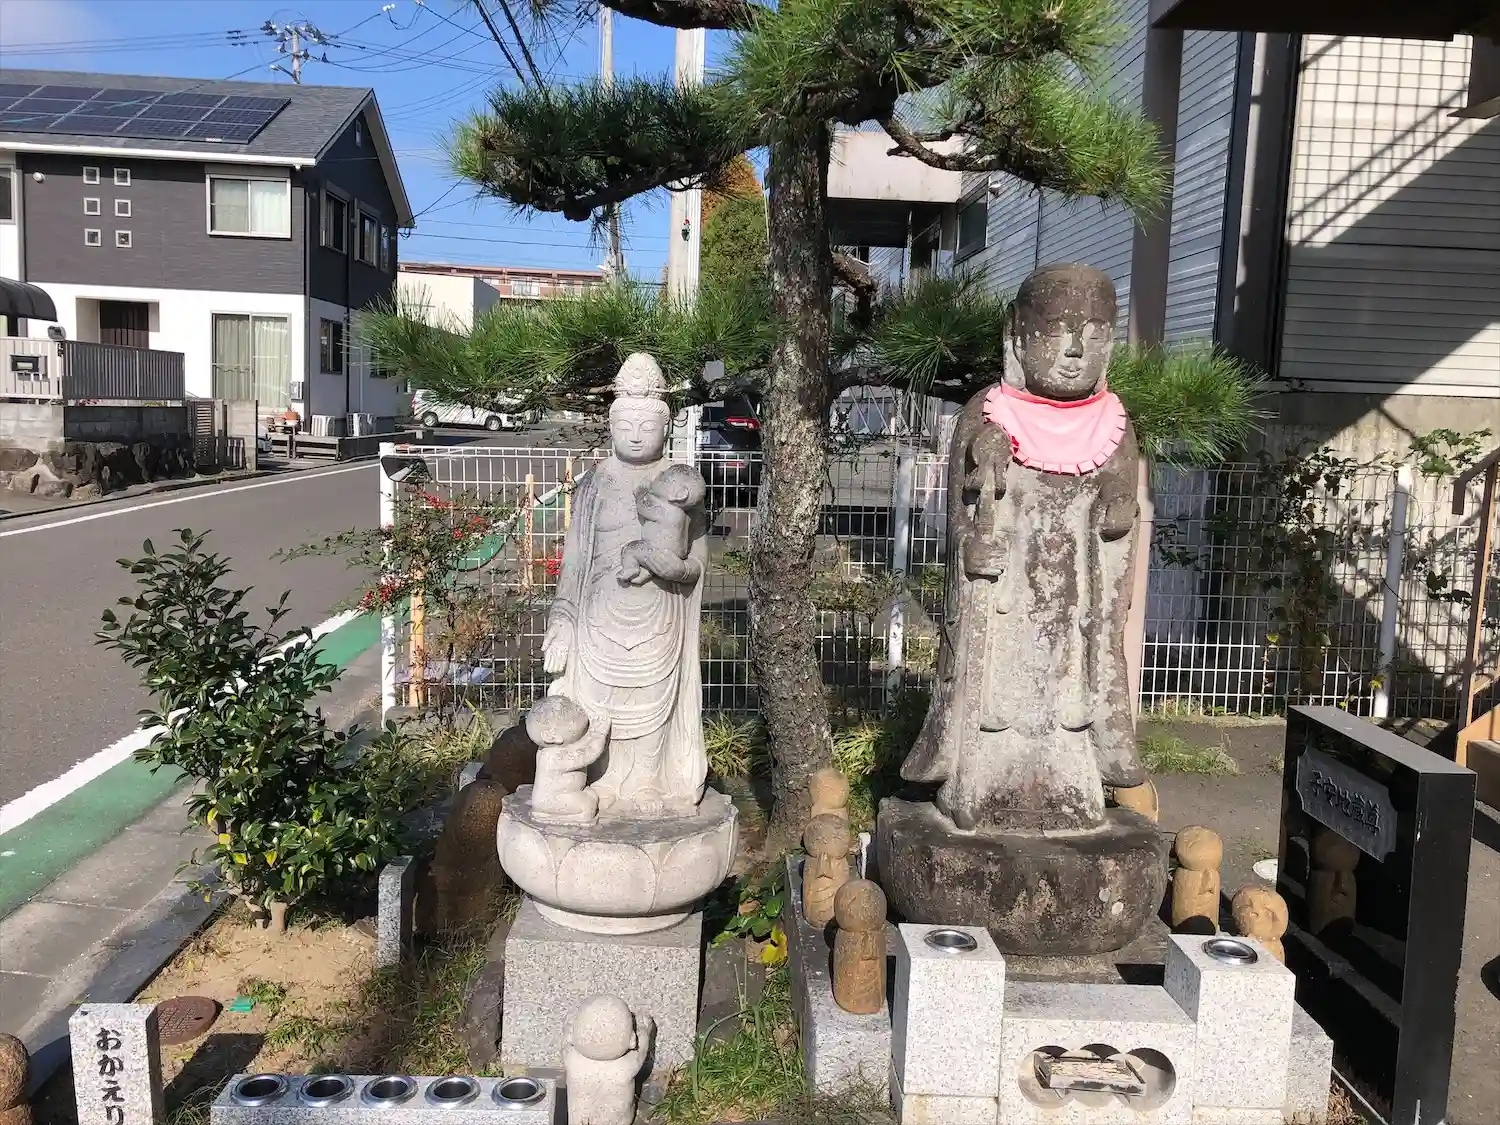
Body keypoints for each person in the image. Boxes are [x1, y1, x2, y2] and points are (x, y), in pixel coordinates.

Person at [901, 263, 1144, 833]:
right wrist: (969, 548)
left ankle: (1072, 788)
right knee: (997, 700)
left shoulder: (1113, 427)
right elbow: (958, 517)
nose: (1075, 352)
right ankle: (978, 783)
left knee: (1068, 700)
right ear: (1016, 335)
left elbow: (1122, 516)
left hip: (1072, 605)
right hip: (1005, 600)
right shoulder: (987, 413)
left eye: (1094, 335)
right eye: (1056, 332)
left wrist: (1117, 515)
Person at [542, 354, 709, 815]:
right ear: (611, 426)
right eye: (625, 425)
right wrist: (562, 620)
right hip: (599, 612)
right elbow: (575, 561)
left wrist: (675, 570)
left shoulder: (681, 485)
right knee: (600, 699)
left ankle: (647, 781)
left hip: (660, 613)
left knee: (654, 696)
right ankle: (605, 777)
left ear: (666, 427)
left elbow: (697, 560)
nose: (636, 435)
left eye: (647, 426)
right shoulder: (595, 485)